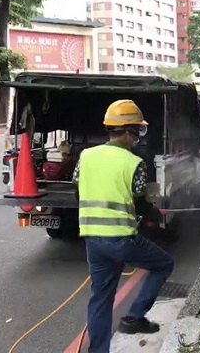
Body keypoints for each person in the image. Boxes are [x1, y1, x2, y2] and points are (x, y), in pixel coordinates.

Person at [72, 99, 174, 352]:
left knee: (101, 299)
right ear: (129, 131)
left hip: (92, 239)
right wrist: (154, 213)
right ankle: (135, 316)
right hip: (121, 238)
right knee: (163, 264)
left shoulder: (86, 156)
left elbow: (78, 191)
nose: (138, 135)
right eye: (137, 130)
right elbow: (140, 204)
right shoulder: (134, 163)